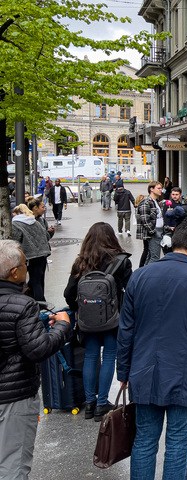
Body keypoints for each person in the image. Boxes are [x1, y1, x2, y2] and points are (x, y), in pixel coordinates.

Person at [117, 221, 187, 479]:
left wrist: (123, 372)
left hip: (144, 372)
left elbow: (126, 330)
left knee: (144, 441)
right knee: (178, 445)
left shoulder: (139, 276)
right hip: (185, 375)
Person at [0, 240, 71, 480]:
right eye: (25, 264)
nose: (28, 269)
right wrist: (61, 327)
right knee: (13, 465)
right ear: (15, 272)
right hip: (14, 397)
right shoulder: (23, 305)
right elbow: (38, 349)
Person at [63, 223, 132, 421]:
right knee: (109, 357)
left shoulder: (81, 262)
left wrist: (80, 309)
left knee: (91, 357)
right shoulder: (121, 261)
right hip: (112, 319)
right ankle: (103, 404)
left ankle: (90, 403)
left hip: (87, 320)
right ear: (112, 238)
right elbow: (131, 291)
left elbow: (69, 293)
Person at [11, 197, 54, 301]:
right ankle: (38, 301)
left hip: (29, 256)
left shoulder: (16, 224)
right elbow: (46, 236)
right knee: (38, 280)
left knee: (31, 282)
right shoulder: (36, 222)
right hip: (42, 254)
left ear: (17, 213)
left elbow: (16, 241)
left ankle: (40, 303)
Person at [136, 181, 164, 267]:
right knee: (155, 258)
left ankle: (143, 274)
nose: (161, 190)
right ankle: (146, 275)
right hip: (154, 232)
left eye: (161, 188)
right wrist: (153, 231)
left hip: (158, 231)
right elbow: (144, 219)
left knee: (150, 256)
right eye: (158, 188)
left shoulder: (155, 201)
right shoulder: (146, 202)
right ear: (151, 189)